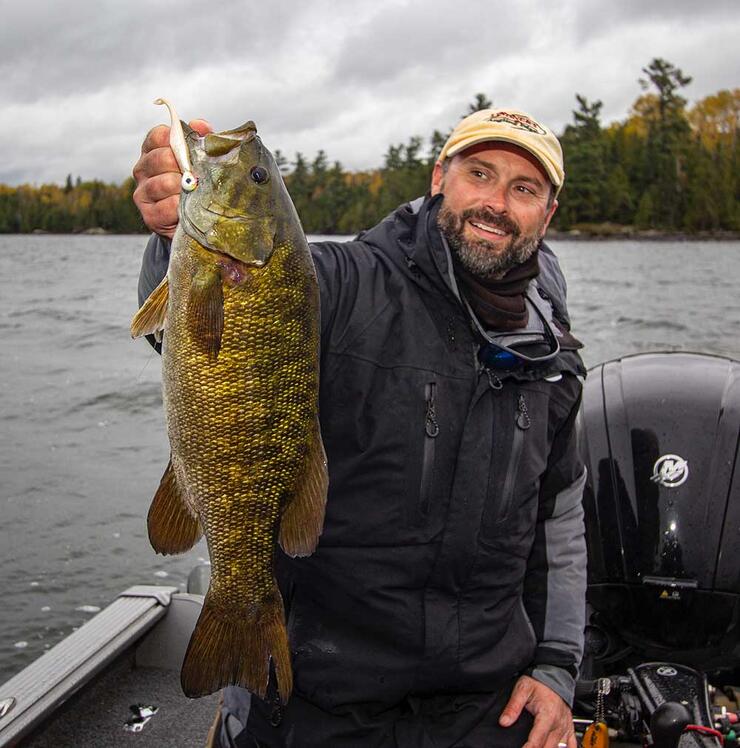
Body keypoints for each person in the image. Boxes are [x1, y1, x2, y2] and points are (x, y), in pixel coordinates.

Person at [133, 107, 587, 748]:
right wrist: (173, 238)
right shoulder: (344, 284)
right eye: (479, 174)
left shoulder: (553, 357)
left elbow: (560, 521)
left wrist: (557, 665)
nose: (496, 202)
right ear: (439, 179)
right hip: (320, 700)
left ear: (548, 212)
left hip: (484, 706)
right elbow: (208, 329)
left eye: (524, 188)